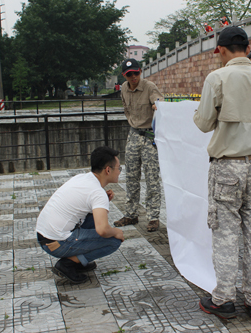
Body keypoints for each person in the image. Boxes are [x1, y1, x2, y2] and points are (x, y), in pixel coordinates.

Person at [193, 26, 251, 319]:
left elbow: (204, 124)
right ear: (246, 47)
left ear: (221, 50)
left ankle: (224, 299)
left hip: (227, 166)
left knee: (226, 237)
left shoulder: (217, 78)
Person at [36, 146, 124, 284]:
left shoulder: (82, 178)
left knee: (92, 218)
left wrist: (102, 202)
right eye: (119, 168)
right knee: (113, 241)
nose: (119, 172)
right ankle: (69, 264)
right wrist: (116, 231)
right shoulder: (97, 192)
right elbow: (103, 230)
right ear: (108, 170)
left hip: (44, 235)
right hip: (56, 243)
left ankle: (78, 260)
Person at [113, 58, 164, 232]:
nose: (133, 77)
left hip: (149, 136)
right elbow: (126, 109)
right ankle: (131, 213)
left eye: (136, 73)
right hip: (134, 135)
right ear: (124, 76)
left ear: (140, 71)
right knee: (131, 177)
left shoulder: (149, 86)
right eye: (129, 74)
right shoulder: (124, 90)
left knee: (152, 178)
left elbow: (158, 101)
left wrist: (157, 105)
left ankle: (153, 216)